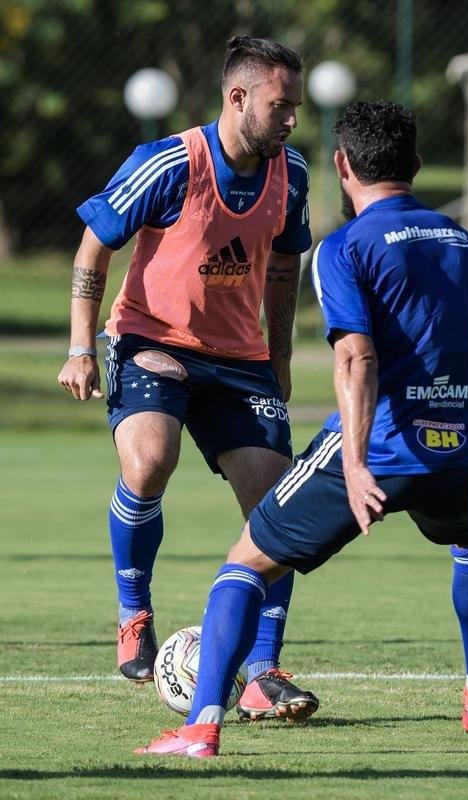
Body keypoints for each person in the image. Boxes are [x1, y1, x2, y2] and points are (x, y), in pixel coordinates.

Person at [135, 99, 468, 758]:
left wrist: (355, 464)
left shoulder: (347, 246)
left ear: (341, 165)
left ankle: (200, 726)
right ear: (415, 164)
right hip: (461, 448)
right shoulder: (463, 243)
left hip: (380, 446)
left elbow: (356, 357)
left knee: (243, 565)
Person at [57, 36, 320, 722]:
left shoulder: (291, 172)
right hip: (153, 340)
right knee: (149, 461)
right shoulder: (170, 162)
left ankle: (263, 671)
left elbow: (288, 267)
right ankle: (134, 612)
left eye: (296, 104)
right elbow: (94, 244)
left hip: (241, 360)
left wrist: (282, 358)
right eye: (281, 104)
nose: (293, 118)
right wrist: (82, 348)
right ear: (238, 98)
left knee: (278, 508)